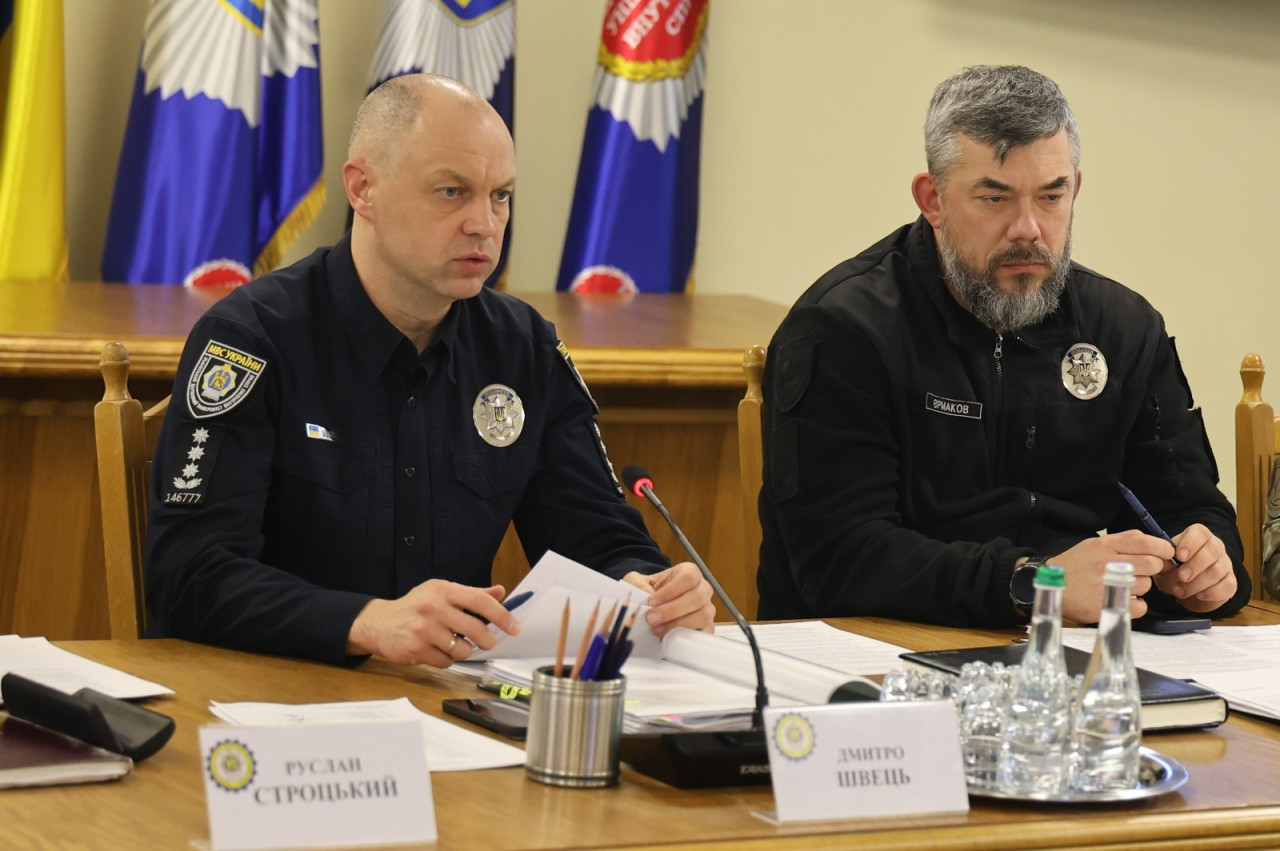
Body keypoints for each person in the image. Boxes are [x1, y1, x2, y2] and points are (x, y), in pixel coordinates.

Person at [145, 74, 714, 667]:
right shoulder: (252, 340)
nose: (484, 224)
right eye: (451, 192)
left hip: (445, 695)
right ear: (363, 189)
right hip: (269, 687)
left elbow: (597, 537)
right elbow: (188, 572)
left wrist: (650, 588)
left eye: (500, 196)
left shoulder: (522, 350)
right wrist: (366, 623)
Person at [757, 65, 1250, 627]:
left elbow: (1190, 507)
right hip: (876, 651)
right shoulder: (845, 329)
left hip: (1074, 649)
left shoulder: (1124, 329)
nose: (1028, 229)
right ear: (933, 199)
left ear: (1075, 189)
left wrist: (1206, 569)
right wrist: (1038, 585)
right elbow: (837, 561)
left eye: (1051, 196)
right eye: (995, 198)